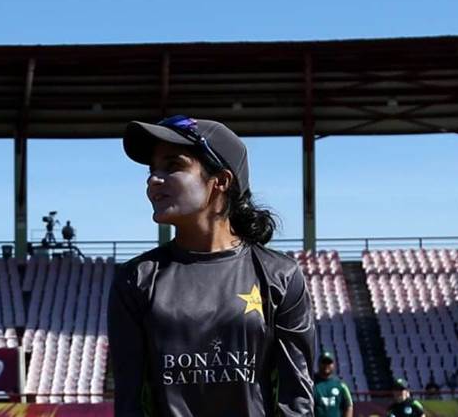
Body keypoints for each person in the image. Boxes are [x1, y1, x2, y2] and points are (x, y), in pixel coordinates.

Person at [109, 115, 315, 416]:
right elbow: (130, 403)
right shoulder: (135, 280)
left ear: (220, 180)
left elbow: (295, 401)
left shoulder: (280, 276)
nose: (153, 179)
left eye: (173, 166)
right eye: (152, 169)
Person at [313, 351, 353, 417]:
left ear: (333, 365)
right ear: (318, 364)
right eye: (324, 362)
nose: (326, 365)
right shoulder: (311, 383)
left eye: (329, 362)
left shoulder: (341, 385)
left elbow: (348, 405)